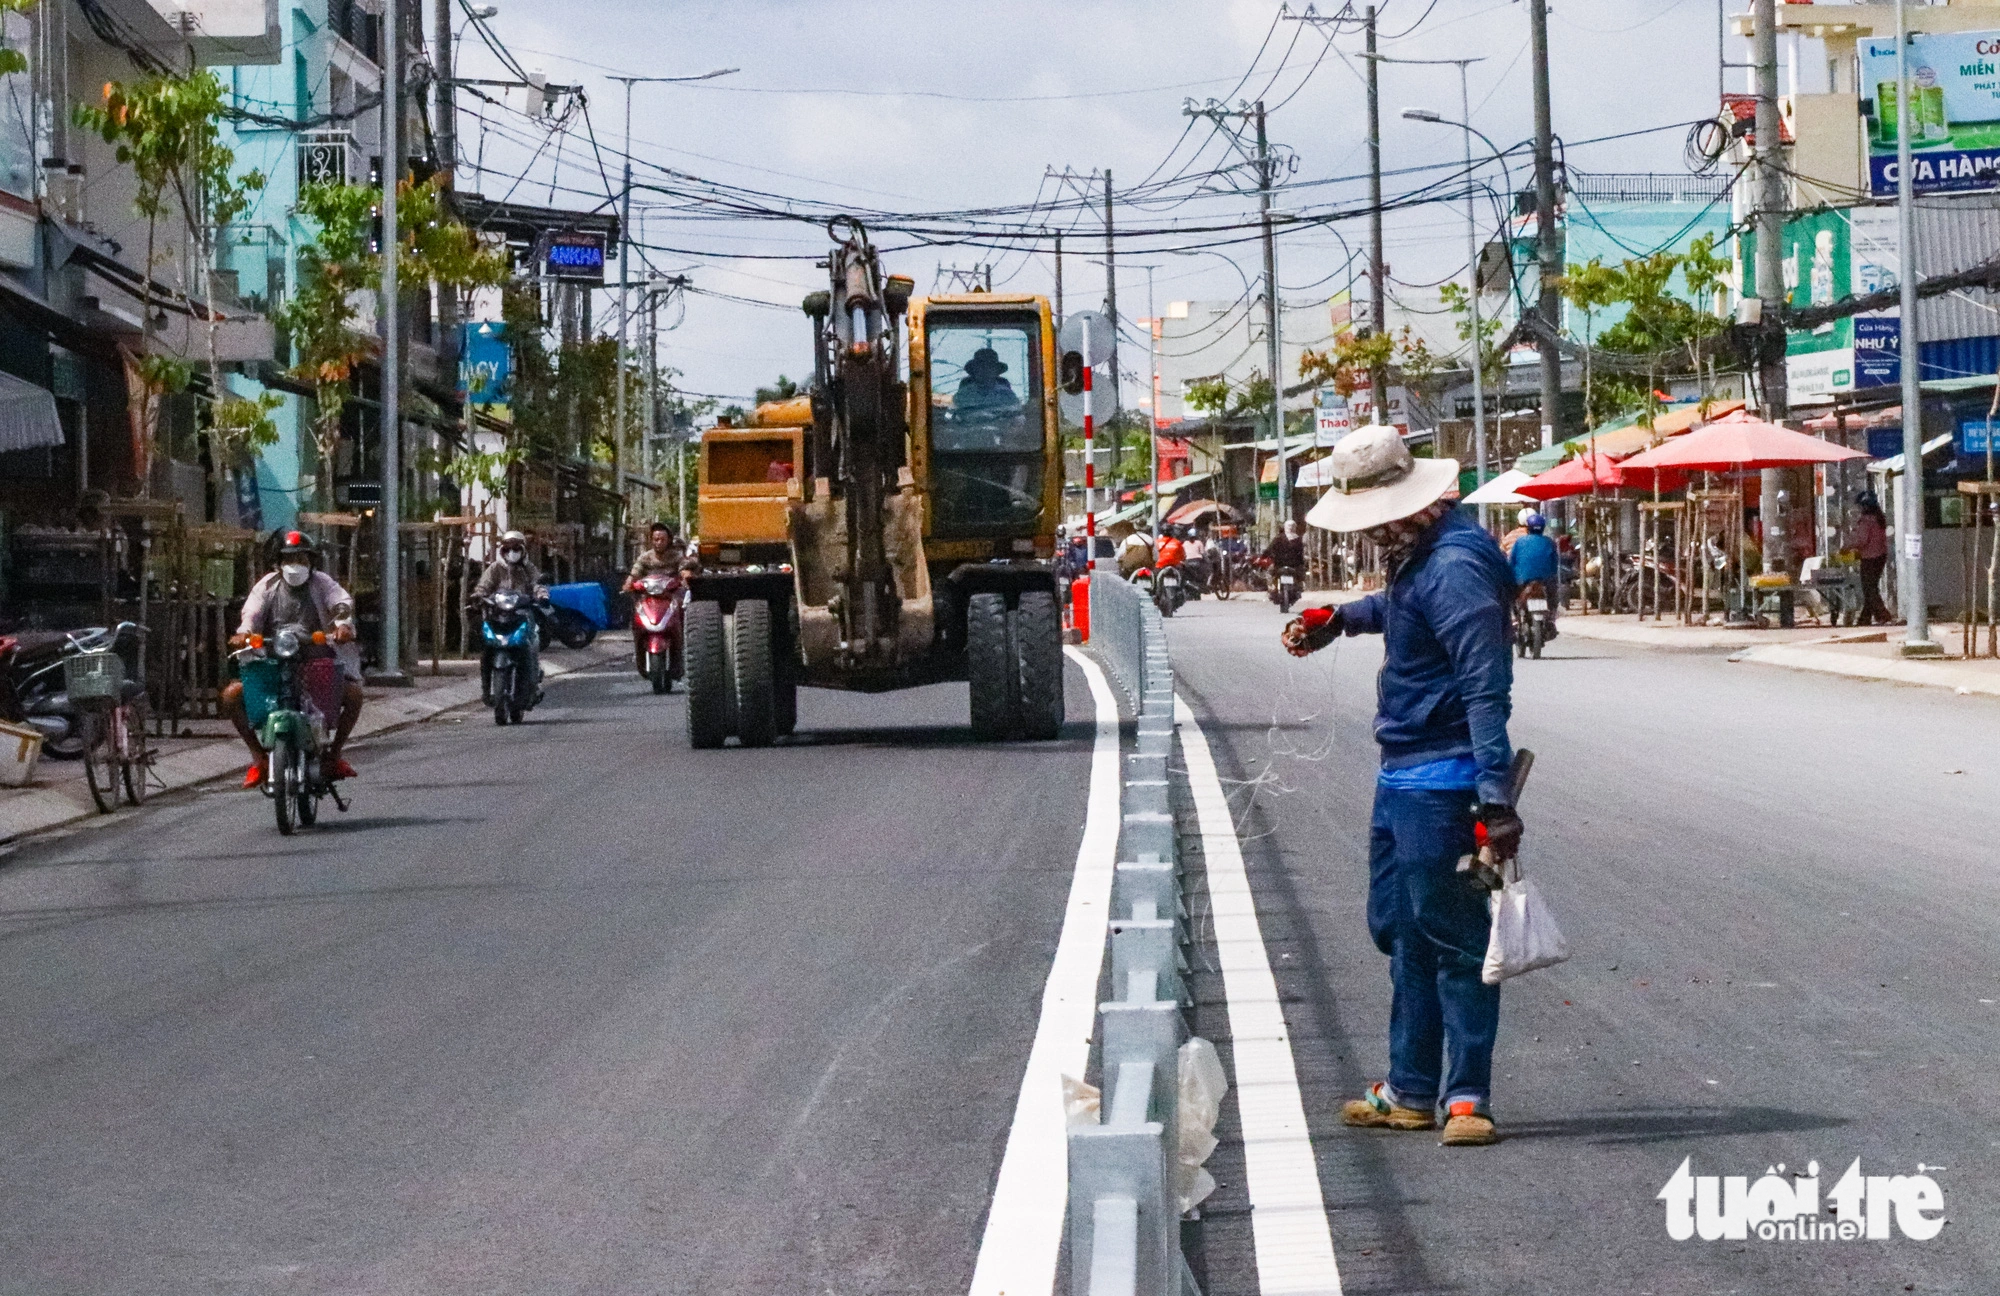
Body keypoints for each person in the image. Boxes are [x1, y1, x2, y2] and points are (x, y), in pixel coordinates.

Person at [1278, 424, 1520, 1148]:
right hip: (1403, 773)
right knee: (1401, 928)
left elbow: (1485, 689)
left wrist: (1496, 797)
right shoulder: (1423, 556)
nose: (1369, 537)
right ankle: (1411, 1088)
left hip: (1443, 780)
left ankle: (1466, 1096)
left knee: (1451, 938)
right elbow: (1400, 610)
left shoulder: (1455, 568)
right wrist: (1341, 619)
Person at [223, 530, 363, 787]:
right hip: (273, 663)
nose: (295, 565)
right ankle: (258, 757)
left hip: (318, 664)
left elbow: (340, 602)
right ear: (278, 563)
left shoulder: (322, 583)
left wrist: (342, 624)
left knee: (353, 695)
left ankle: (334, 755)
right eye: (289, 559)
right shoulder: (266, 586)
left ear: (311, 562)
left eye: (302, 559)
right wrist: (244, 633)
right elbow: (251, 614)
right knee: (232, 696)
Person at [472, 529, 547, 706]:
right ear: (502, 551)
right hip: (498, 617)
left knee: (532, 645)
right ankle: (486, 690)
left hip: (522, 616)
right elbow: (484, 586)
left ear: (522, 550)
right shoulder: (495, 568)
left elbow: (538, 584)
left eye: (516, 548)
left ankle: (532, 687)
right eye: (508, 549)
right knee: (487, 650)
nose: (512, 552)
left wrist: (541, 595)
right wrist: (478, 596)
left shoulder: (529, 569)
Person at [624, 522, 685, 675]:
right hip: (648, 599)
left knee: (682, 612)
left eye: (662, 539)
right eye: (655, 539)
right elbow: (635, 574)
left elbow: (684, 570)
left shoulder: (676, 556)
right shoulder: (645, 558)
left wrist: (685, 579)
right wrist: (628, 584)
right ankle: (640, 658)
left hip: (670, 598)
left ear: (668, 540)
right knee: (636, 618)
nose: (659, 543)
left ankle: (679, 661)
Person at [1508, 512, 1561, 637]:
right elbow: (1555, 563)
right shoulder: (1549, 542)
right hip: (1545, 579)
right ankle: (1551, 617)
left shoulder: (1519, 541)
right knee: (1553, 596)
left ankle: (1515, 618)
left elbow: (1511, 561)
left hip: (1522, 579)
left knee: (1511, 595)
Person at [1853, 491, 1890, 625]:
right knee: (1871, 587)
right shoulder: (1879, 518)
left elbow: (1862, 540)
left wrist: (1849, 545)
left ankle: (1882, 614)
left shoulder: (1866, 521)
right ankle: (1865, 617)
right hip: (1881, 556)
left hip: (1869, 557)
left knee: (1869, 588)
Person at [951, 347, 1020, 414]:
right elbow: (953, 418)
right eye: (981, 367)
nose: (985, 370)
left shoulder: (1007, 396)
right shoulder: (962, 396)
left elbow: (1016, 418)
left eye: (989, 367)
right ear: (974, 370)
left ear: (996, 371)